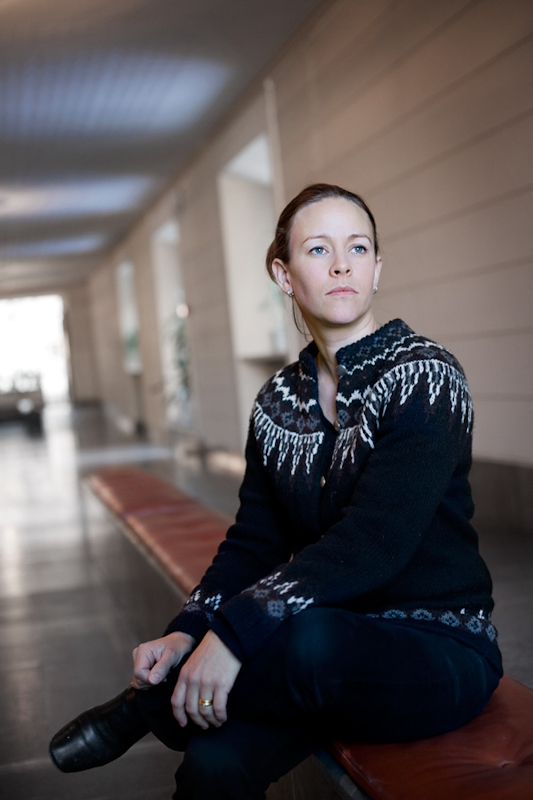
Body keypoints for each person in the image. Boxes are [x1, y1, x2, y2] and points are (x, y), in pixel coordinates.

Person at [49, 184, 502, 799]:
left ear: (376, 267)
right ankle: (175, 694)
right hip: (314, 646)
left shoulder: (425, 377)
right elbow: (252, 542)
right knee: (213, 763)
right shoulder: (275, 403)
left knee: (307, 641)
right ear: (283, 274)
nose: (342, 264)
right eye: (319, 249)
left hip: (437, 646)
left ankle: (140, 711)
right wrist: (190, 627)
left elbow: (373, 543)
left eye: (358, 247)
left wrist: (233, 636)